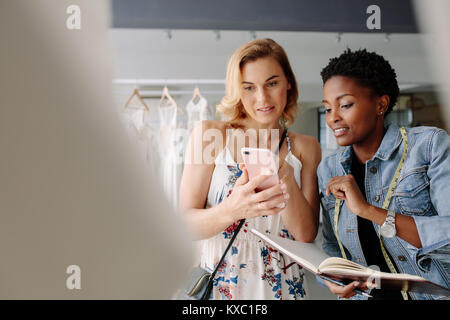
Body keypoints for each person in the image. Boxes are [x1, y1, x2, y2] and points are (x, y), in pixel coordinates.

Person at [179, 38, 321, 300]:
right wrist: (231, 210)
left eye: (272, 83)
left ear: (288, 82)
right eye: (249, 87)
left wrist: (286, 177)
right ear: (237, 90)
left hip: (284, 288)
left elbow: (305, 235)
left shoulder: (305, 147)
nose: (262, 98)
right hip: (225, 286)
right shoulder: (211, 135)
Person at [317, 48, 450, 300]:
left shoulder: (429, 146)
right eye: (327, 109)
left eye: (345, 105)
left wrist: (368, 211)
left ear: (381, 104)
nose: (333, 118)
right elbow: (331, 248)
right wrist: (329, 279)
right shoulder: (329, 169)